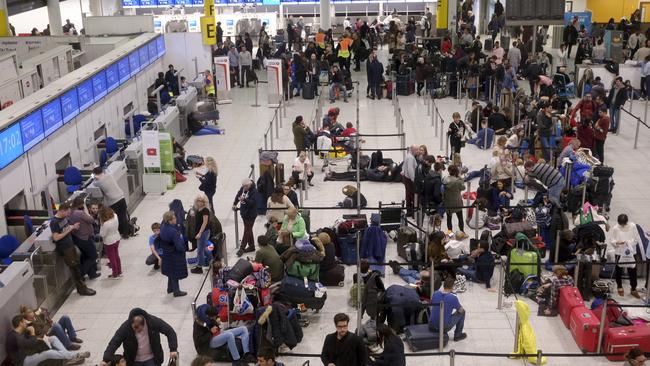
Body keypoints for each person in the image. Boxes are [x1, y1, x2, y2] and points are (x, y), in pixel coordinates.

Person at [101, 308, 178, 366]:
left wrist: (173, 349)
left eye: (139, 329)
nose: (137, 331)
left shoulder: (153, 322)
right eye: (134, 328)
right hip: (134, 360)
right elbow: (114, 342)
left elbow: (170, 331)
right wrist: (105, 359)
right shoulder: (126, 327)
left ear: (144, 323)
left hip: (151, 358)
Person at [50, 202, 96, 296]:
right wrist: (70, 229)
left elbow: (66, 228)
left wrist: (73, 227)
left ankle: (82, 287)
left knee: (77, 266)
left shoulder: (63, 218)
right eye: (67, 212)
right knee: (75, 269)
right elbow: (56, 237)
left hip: (70, 245)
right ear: (62, 211)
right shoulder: (54, 222)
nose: (69, 214)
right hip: (65, 248)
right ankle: (82, 289)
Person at [19, 320, 90, 366]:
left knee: (53, 338)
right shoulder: (22, 336)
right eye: (24, 322)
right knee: (48, 352)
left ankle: (67, 356)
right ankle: (74, 355)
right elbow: (39, 348)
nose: (26, 323)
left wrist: (43, 339)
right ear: (20, 323)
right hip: (27, 360)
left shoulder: (25, 331)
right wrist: (36, 336)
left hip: (33, 352)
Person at [609, 214, 644, 299]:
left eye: (624, 224)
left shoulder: (633, 226)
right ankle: (619, 286)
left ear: (626, 222)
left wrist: (627, 244)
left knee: (632, 270)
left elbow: (636, 239)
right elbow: (612, 240)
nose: (622, 226)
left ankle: (633, 289)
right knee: (618, 270)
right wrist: (617, 243)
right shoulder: (615, 228)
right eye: (621, 224)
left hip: (631, 252)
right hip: (619, 252)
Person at [92, 166, 130, 238]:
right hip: (121, 197)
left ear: (95, 174)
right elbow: (106, 171)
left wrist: (95, 177)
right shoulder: (109, 175)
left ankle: (119, 232)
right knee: (123, 216)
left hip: (113, 201)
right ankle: (126, 234)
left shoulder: (98, 182)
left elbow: (94, 183)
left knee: (115, 218)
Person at [68, 197, 99, 280]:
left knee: (86, 256)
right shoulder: (79, 213)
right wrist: (85, 210)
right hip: (84, 238)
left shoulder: (71, 212)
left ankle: (92, 274)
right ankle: (80, 274)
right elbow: (91, 220)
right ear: (81, 205)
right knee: (93, 256)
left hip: (77, 238)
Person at [429, 276, 467, 341]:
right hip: (443, 328)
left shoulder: (435, 293)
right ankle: (458, 335)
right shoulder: (453, 298)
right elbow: (460, 310)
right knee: (463, 312)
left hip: (431, 325)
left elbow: (431, 305)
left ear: (443, 285)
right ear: (453, 287)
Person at [160, 211, 188, 297]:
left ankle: (170, 288)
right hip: (174, 254)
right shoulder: (173, 232)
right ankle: (176, 291)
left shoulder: (163, 227)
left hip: (166, 253)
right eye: (174, 218)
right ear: (170, 220)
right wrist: (183, 250)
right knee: (175, 272)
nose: (176, 219)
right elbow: (178, 245)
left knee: (170, 271)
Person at [233, 179, 258, 256]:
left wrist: (245, 199)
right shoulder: (243, 188)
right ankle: (252, 246)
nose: (244, 187)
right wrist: (235, 203)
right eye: (243, 186)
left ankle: (242, 248)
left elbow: (252, 203)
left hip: (251, 214)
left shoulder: (254, 191)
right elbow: (238, 195)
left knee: (247, 230)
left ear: (250, 185)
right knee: (249, 230)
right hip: (244, 213)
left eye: (246, 186)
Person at [190, 194, 211, 274]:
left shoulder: (205, 210)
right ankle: (211, 261)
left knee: (200, 250)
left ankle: (199, 267)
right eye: (198, 200)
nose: (199, 202)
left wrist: (200, 233)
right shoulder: (198, 209)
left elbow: (205, 222)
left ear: (204, 202)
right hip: (201, 231)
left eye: (201, 201)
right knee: (204, 248)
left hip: (203, 232)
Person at [100, 207, 122, 279]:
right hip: (116, 237)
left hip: (109, 241)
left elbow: (102, 234)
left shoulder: (106, 224)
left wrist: (101, 225)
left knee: (112, 258)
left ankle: (115, 274)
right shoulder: (115, 216)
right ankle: (119, 271)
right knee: (116, 256)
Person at [443, 165, 465, 234]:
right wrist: (461, 178)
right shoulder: (458, 181)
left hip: (448, 201)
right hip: (457, 202)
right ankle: (462, 231)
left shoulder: (444, 179)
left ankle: (450, 232)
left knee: (449, 219)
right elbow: (463, 188)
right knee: (460, 218)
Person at [401, 145, 418, 216]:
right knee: (411, 195)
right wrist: (413, 179)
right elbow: (410, 169)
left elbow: (404, 166)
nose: (418, 152)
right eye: (417, 150)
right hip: (409, 179)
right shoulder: (411, 158)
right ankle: (412, 212)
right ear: (413, 150)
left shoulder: (408, 156)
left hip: (406, 178)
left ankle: (409, 211)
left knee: (408, 194)